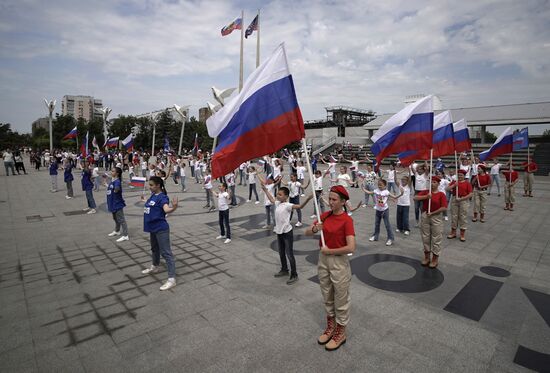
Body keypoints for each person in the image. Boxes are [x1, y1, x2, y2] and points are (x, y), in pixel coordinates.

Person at [306, 185, 355, 351]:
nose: (330, 202)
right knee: (327, 294)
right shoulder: (325, 216)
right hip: (323, 260)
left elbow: (351, 247)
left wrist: (330, 251)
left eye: (334, 200)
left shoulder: (347, 220)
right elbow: (307, 232)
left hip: (338, 262)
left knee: (341, 298)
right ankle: (331, 326)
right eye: (330, 198)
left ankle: (341, 331)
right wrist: (314, 228)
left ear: (342, 202)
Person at [262, 184, 313, 284]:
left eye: (280, 195)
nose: (278, 196)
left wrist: (308, 198)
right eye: (278, 194)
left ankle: (294, 274)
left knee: (289, 254)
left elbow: (300, 206)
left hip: (287, 232)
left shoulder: (288, 205)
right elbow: (271, 199)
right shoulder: (277, 203)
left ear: (286, 196)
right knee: (281, 252)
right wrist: (265, 190)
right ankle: (284, 270)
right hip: (279, 232)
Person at [140, 176, 179, 291]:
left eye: (151, 185)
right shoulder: (153, 195)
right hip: (152, 228)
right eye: (149, 184)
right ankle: (155, 266)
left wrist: (174, 207)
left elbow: (166, 209)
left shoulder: (162, 197)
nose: (149, 186)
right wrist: (144, 201)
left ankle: (172, 279)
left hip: (160, 228)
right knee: (154, 248)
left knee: (166, 253)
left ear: (158, 185)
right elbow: (152, 205)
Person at [413, 176, 448, 268]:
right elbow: (415, 197)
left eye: (434, 182)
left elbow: (444, 207)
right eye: (431, 182)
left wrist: (433, 212)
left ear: (438, 184)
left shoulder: (441, 194)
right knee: (425, 237)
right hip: (425, 215)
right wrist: (426, 196)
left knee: (436, 237)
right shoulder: (426, 192)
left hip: (436, 217)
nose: (432, 184)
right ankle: (427, 257)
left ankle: (435, 258)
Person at [365, 179, 402, 246]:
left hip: (385, 210)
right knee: (376, 224)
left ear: (385, 186)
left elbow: (395, 197)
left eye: (381, 185)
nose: (379, 186)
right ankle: (375, 236)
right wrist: (362, 188)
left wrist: (401, 194)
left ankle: (390, 238)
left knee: (387, 225)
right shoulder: (376, 190)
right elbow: (369, 192)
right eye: (378, 185)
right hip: (378, 210)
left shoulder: (386, 192)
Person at [446, 169, 472, 242]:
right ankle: (453, 232)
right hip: (455, 199)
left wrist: (462, 199)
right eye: (459, 175)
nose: (460, 176)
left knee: (463, 217)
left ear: (464, 176)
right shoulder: (455, 182)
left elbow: (470, 194)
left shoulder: (467, 183)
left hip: (463, 200)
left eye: (461, 175)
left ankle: (462, 234)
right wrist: (454, 185)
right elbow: (447, 189)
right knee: (454, 216)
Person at [107, 167, 129, 242]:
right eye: (111, 171)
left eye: (113, 171)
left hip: (117, 203)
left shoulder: (117, 181)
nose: (111, 172)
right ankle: (117, 231)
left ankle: (125, 235)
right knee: (115, 218)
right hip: (112, 203)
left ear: (117, 173)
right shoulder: (113, 180)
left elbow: (117, 189)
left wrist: (116, 189)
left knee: (121, 219)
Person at [412, 163, 429, 227]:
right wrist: (420, 165)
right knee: (416, 208)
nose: (419, 170)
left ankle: (422, 221)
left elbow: (427, 168)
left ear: (423, 170)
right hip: (417, 192)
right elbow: (413, 168)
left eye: (421, 169)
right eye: (418, 169)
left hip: (423, 192)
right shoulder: (416, 174)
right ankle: (417, 221)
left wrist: (425, 163)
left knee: (422, 208)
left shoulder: (425, 175)